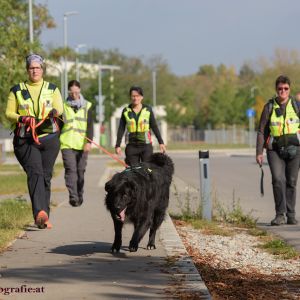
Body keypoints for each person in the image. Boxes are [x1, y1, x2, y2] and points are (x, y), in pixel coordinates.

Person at [5, 54, 63, 229]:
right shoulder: (17, 90)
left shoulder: (52, 89)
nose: (34, 70)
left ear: (42, 70)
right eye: (31, 68)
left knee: (45, 176)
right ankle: (39, 212)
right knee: (36, 173)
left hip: (50, 139)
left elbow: (59, 108)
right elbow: (9, 113)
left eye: (37, 67)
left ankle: (44, 217)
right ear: (27, 70)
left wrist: (53, 112)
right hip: (26, 140)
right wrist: (23, 118)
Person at [256, 75, 300, 226]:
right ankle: (280, 214)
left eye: (285, 88)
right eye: (280, 88)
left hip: (295, 150)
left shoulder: (296, 105)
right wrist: (259, 152)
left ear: (289, 89)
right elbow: (261, 131)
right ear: (276, 89)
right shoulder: (269, 107)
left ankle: (291, 214)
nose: (283, 91)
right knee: (277, 179)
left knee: (292, 181)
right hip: (274, 150)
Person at [60, 80, 93, 207]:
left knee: (80, 171)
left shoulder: (87, 106)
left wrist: (88, 141)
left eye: (76, 92)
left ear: (80, 90)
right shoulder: (63, 106)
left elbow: (90, 126)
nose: (74, 95)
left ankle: (80, 193)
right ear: (68, 91)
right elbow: (59, 125)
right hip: (66, 143)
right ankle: (73, 196)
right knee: (70, 170)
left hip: (82, 144)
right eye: (71, 92)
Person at [115, 86, 166, 166]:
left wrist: (161, 142)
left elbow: (154, 126)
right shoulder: (126, 111)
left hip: (146, 146)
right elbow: (121, 128)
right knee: (133, 173)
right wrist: (117, 145)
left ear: (142, 97)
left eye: (138, 96)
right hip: (131, 147)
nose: (135, 98)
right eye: (133, 96)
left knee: (147, 171)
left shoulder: (148, 110)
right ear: (130, 97)